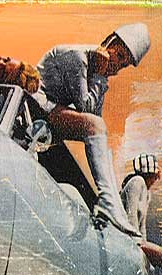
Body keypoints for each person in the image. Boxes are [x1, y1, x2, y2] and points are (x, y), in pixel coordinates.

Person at [33, 24, 151, 237]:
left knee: (100, 135)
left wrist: (99, 77)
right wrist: (99, 76)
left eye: (123, 65)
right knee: (95, 127)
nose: (117, 67)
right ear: (108, 42)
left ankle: (112, 203)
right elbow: (86, 111)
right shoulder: (78, 58)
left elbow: (96, 120)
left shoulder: (94, 67)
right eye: (119, 56)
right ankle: (108, 201)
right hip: (36, 106)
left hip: (51, 114)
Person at [121, 153, 162, 266]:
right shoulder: (137, 182)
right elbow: (131, 216)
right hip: (125, 237)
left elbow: (142, 225)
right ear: (148, 174)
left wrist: (144, 246)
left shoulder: (147, 193)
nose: (155, 180)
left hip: (135, 239)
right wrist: (138, 245)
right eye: (154, 176)